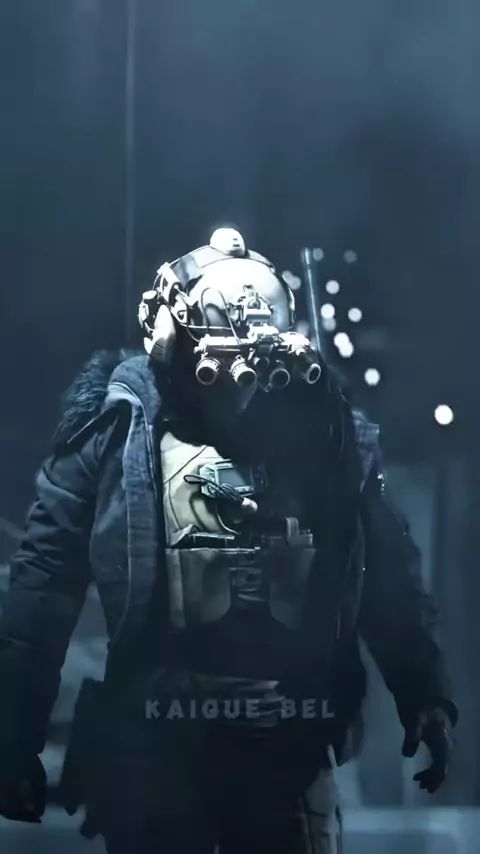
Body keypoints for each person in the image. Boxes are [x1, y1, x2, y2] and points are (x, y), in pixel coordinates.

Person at [0, 229, 457, 853]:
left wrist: (425, 693)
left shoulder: (326, 435)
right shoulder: (117, 424)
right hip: (154, 759)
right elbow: (44, 585)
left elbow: (383, 574)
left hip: (288, 751)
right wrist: (14, 732)